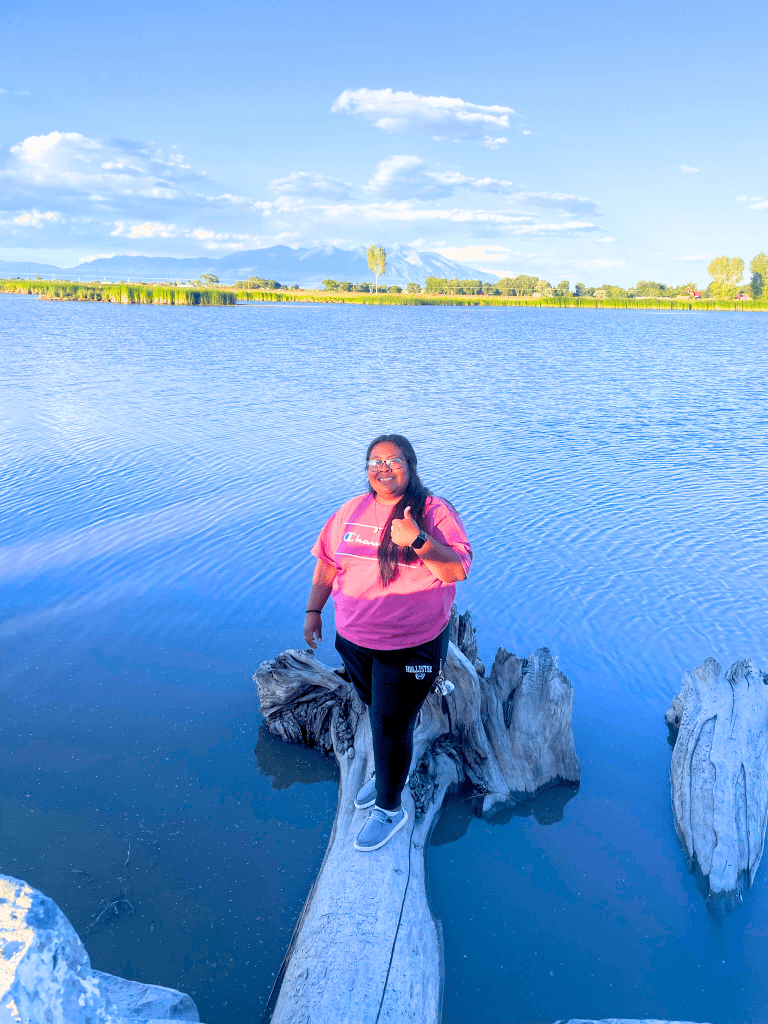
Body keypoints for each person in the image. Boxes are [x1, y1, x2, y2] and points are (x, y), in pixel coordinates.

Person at [304, 434, 472, 852]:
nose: (383, 468)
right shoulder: (351, 511)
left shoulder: (433, 511)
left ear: (410, 465)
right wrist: (313, 611)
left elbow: (456, 571)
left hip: (412, 645)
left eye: (393, 460)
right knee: (379, 712)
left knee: (390, 723)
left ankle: (390, 808)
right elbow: (327, 563)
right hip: (355, 641)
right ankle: (389, 768)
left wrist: (417, 539)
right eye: (374, 462)